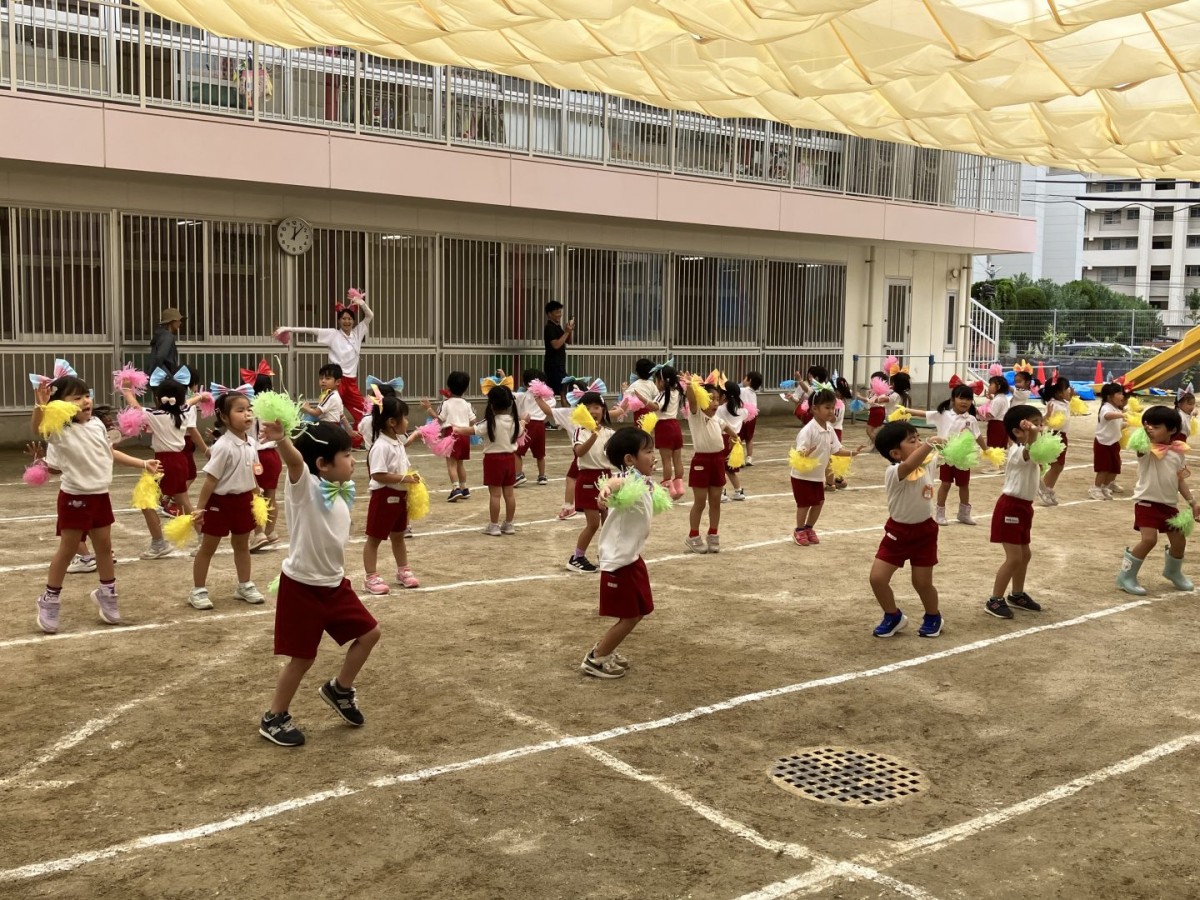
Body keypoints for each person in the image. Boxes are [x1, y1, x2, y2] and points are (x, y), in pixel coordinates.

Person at [257, 422, 381, 748]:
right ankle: (274, 717)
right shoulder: (306, 487)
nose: (354, 460)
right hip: (302, 587)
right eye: (346, 455)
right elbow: (295, 462)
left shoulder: (337, 489)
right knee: (302, 658)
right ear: (323, 464)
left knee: (370, 634)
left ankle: (339, 689)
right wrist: (282, 440)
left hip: (334, 585)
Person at [32, 375, 160, 634]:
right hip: (74, 498)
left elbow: (109, 453)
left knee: (104, 547)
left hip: (100, 496)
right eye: (76, 398)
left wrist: (143, 463)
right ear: (61, 404)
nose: (85, 401)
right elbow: (38, 429)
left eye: (86, 395)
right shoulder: (60, 431)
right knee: (68, 550)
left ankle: (107, 593)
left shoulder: (97, 425)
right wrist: (41, 405)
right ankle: (50, 598)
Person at [579, 428, 663, 679]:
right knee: (630, 616)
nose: (654, 456)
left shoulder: (643, 481)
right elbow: (617, 482)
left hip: (632, 557)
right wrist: (606, 488)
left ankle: (605, 649)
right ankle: (597, 658)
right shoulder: (629, 479)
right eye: (648, 451)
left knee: (640, 610)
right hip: (619, 561)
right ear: (629, 459)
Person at [189, 391, 265, 610]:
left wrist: (257, 494)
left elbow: (253, 472)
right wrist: (199, 509)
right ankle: (198, 590)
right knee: (208, 547)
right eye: (240, 410)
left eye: (249, 409)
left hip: (243, 502)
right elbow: (211, 480)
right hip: (219, 504)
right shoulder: (223, 446)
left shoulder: (251, 443)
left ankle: (244, 585)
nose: (247, 414)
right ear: (224, 417)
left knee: (242, 546)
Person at [869, 421, 945, 639]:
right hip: (897, 533)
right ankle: (893, 616)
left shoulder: (927, 463)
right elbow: (910, 464)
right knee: (877, 578)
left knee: (922, 582)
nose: (920, 443)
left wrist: (947, 444)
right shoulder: (894, 472)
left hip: (925, 532)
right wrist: (929, 443)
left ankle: (933, 616)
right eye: (913, 441)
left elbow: (942, 452)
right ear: (895, 453)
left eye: (919, 438)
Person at [1117, 405, 1200, 595]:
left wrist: (1193, 502)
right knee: (1149, 539)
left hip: (1169, 505)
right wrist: (1145, 432)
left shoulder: (1177, 453)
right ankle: (1126, 576)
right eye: (1149, 426)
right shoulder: (1146, 450)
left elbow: (1179, 481)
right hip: (1147, 502)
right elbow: (1140, 445)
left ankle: (1173, 572)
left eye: (1157, 426)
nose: (1151, 429)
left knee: (1179, 542)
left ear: (1172, 430)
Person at [274, 288, 374, 437]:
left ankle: (355, 440)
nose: (347, 321)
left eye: (349, 319)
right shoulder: (333, 334)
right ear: (339, 321)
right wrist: (288, 328)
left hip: (351, 382)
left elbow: (370, 315)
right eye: (343, 319)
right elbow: (310, 330)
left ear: (353, 321)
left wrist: (362, 303)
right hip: (335, 381)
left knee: (363, 412)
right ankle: (311, 435)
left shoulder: (358, 333)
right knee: (326, 413)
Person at [122, 374, 197, 559]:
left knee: (146, 502)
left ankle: (158, 543)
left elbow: (135, 407)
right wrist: (201, 397)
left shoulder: (155, 415)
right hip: (180, 460)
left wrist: (126, 390)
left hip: (163, 463)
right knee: (184, 501)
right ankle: (204, 537)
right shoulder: (184, 412)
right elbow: (189, 402)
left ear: (157, 398)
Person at [985, 405, 1045, 619]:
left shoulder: (1033, 451)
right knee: (1014, 558)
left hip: (1024, 507)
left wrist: (1035, 430)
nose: (1040, 428)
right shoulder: (1017, 451)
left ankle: (1017, 595)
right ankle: (994, 600)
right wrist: (1034, 433)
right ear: (1018, 431)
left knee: (1024, 555)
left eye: (1041, 423)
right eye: (1035, 424)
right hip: (1010, 507)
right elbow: (1030, 447)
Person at [363, 395, 421, 594]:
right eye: (404, 417)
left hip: (400, 497)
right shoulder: (381, 446)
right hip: (384, 497)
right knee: (374, 538)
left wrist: (410, 479)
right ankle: (370, 577)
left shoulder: (396, 441)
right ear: (391, 422)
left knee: (398, 535)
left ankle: (403, 570)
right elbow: (377, 474)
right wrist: (404, 478)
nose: (407, 421)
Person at [791, 389, 862, 545]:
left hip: (817, 475)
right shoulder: (808, 430)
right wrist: (805, 453)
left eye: (832, 407)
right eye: (827, 407)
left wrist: (852, 453)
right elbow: (799, 451)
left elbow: (836, 450)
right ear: (814, 408)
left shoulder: (830, 429)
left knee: (819, 502)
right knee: (804, 504)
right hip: (802, 475)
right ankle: (799, 530)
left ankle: (809, 528)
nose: (831, 411)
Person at [455, 385, 523, 536]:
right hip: (510, 459)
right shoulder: (515, 422)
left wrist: (457, 429)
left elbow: (471, 430)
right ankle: (509, 524)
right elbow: (521, 430)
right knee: (509, 494)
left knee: (495, 495)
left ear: (491, 404)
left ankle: (494, 525)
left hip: (493, 460)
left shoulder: (489, 422)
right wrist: (524, 422)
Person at [924, 384, 986, 526]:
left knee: (964, 485)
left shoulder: (971, 419)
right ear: (953, 399)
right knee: (945, 484)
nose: (965, 402)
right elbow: (925, 414)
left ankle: (964, 514)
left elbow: (978, 436)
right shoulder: (944, 415)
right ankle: (940, 513)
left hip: (963, 459)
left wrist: (986, 450)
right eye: (961, 398)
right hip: (946, 456)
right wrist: (905, 411)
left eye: (968, 399)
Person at [567, 391, 613, 572]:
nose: (593, 411)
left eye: (596, 407)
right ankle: (577, 557)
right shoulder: (580, 431)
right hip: (587, 479)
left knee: (608, 523)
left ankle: (606, 555)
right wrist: (593, 435)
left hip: (606, 478)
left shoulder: (609, 433)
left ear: (603, 410)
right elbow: (579, 452)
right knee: (593, 523)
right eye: (587, 408)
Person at [683, 373, 727, 554]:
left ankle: (713, 534)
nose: (715, 402)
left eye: (717, 399)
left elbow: (725, 426)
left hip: (718, 460)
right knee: (700, 502)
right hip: (701, 461)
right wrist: (690, 386)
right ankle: (693, 536)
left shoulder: (716, 418)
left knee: (715, 501)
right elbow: (692, 400)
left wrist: (735, 436)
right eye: (710, 398)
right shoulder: (696, 415)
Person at [421, 370, 474, 501]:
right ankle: (464, 488)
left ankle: (455, 489)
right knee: (460, 464)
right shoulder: (467, 404)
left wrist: (428, 408)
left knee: (451, 464)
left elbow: (439, 419)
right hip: (465, 434)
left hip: (452, 434)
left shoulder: (446, 403)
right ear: (465, 388)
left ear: (449, 387)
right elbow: (473, 420)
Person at [248, 365, 282, 551]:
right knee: (271, 495)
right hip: (273, 455)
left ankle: (259, 533)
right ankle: (270, 532)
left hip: (256, 456)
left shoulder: (247, 407)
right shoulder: (275, 406)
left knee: (256, 496)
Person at [1037, 377, 1072, 507]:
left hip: (1062, 436)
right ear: (1058, 393)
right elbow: (1043, 421)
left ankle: (1048, 488)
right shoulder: (1053, 404)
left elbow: (1069, 401)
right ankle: (1044, 489)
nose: (1069, 390)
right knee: (1057, 465)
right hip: (1054, 436)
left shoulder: (1063, 402)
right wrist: (1047, 416)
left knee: (1059, 466)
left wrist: (1071, 395)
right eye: (1066, 388)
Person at [653, 366, 686, 500]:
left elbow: (654, 406)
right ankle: (679, 487)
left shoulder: (662, 394)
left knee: (666, 460)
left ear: (661, 381)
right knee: (677, 458)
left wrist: (643, 400)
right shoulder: (677, 392)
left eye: (656, 380)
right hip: (675, 426)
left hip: (663, 427)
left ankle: (670, 489)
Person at [1090, 382, 1127, 501]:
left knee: (1115, 467)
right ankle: (1096, 488)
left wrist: (1131, 421)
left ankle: (1105, 487)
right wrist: (1122, 415)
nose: (1122, 396)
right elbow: (1107, 416)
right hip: (1103, 442)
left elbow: (1119, 424)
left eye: (1122, 393)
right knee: (1104, 467)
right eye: (1119, 393)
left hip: (1114, 442)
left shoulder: (1116, 409)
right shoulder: (1106, 407)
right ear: (1109, 397)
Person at [713, 380, 748, 502]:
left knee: (720, 467)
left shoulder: (720, 409)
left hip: (723, 439)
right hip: (736, 440)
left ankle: (721, 492)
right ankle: (738, 491)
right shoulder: (742, 410)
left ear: (723, 395)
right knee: (730, 469)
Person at [514, 369, 549, 486]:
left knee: (516, 451)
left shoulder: (523, 395)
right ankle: (542, 476)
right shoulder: (547, 397)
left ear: (525, 383)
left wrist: (504, 380)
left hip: (528, 424)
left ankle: (518, 475)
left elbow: (508, 393)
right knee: (540, 454)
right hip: (541, 425)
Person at [543, 301, 574, 403]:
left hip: (560, 364)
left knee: (563, 390)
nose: (559, 314)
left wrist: (569, 331)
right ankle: (559, 411)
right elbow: (556, 345)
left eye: (560, 312)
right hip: (553, 365)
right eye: (557, 312)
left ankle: (559, 410)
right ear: (549, 314)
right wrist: (566, 332)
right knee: (561, 392)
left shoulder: (558, 327)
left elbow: (568, 341)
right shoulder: (549, 328)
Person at [148, 307, 184, 376]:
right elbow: (160, 356)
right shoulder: (167, 336)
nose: (180, 323)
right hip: (163, 374)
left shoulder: (161, 335)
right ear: (171, 322)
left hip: (160, 374)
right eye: (178, 320)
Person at [983, 375, 1012, 452]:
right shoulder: (1003, 397)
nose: (989, 386)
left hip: (996, 425)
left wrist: (981, 414)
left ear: (998, 387)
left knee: (994, 448)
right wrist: (992, 399)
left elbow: (991, 414)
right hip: (1003, 424)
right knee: (1000, 448)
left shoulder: (997, 400)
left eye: (990, 385)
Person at [740, 371, 763, 465]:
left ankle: (740, 459)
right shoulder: (754, 393)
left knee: (738, 439)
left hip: (742, 417)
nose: (743, 380)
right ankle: (749, 457)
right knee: (749, 438)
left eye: (745, 378)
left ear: (749, 380)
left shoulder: (742, 390)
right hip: (752, 418)